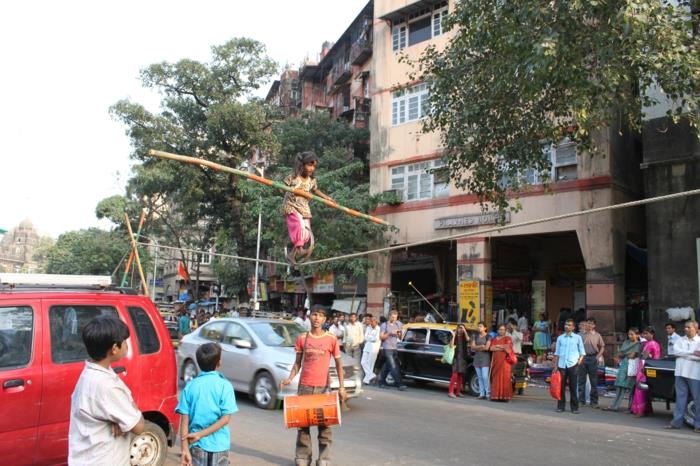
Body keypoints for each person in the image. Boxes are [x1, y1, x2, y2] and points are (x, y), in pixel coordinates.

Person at [68, 315, 145, 465]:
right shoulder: (107, 385)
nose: (126, 345)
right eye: (124, 342)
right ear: (114, 349)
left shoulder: (89, 373)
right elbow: (138, 426)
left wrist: (120, 419)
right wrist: (125, 418)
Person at [280, 305, 347, 466]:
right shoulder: (302, 338)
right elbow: (297, 364)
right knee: (302, 425)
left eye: (321, 316)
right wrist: (289, 379)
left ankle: (324, 459)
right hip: (304, 387)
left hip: (323, 388)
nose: (317, 318)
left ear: (325, 319)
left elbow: (338, 364)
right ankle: (303, 457)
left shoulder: (331, 339)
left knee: (325, 427)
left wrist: (342, 387)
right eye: (315, 315)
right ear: (310, 317)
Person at [176, 343, 238, 466]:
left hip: (196, 447)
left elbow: (184, 421)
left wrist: (184, 449)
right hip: (220, 446)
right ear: (219, 363)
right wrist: (200, 434)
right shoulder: (225, 386)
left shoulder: (190, 387)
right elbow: (225, 419)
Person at [283, 151, 335, 264]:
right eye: (310, 165)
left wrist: (327, 198)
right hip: (292, 205)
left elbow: (315, 190)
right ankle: (299, 249)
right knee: (300, 226)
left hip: (304, 207)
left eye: (314, 166)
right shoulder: (293, 177)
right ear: (302, 165)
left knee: (306, 230)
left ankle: (292, 254)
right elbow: (282, 188)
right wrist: (289, 190)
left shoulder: (311, 181)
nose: (312, 168)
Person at [665, 320, 700, 432]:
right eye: (685, 327)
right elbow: (676, 352)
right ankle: (676, 422)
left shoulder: (699, 341)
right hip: (680, 373)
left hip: (694, 374)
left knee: (697, 400)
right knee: (680, 399)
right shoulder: (680, 340)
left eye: (689, 327)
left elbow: (698, 357)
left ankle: (698, 425)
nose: (686, 329)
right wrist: (691, 353)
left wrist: (684, 354)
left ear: (696, 329)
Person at [604, 327, 642, 412]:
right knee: (620, 386)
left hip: (632, 366)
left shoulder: (638, 344)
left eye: (632, 334)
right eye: (629, 334)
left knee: (630, 388)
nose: (630, 336)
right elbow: (620, 354)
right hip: (624, 365)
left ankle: (631, 408)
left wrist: (623, 355)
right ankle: (614, 406)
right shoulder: (626, 342)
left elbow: (632, 355)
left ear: (637, 335)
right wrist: (621, 356)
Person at [552, 319, 585, 414]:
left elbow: (582, 352)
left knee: (573, 387)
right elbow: (557, 352)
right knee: (561, 387)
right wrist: (555, 365)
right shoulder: (560, 338)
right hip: (561, 365)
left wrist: (579, 362)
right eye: (566, 324)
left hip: (573, 365)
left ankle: (574, 408)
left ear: (573, 327)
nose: (567, 326)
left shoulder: (577, 338)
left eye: (569, 325)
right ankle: (560, 407)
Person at [631, 326, 662, 417]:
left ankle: (640, 411)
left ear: (652, 334)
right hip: (652, 366)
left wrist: (641, 354)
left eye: (646, 333)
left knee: (640, 389)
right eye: (644, 333)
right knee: (646, 389)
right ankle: (647, 409)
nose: (645, 335)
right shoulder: (656, 343)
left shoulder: (649, 344)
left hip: (645, 367)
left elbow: (644, 356)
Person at [578, 317, 605, 408]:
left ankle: (594, 402)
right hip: (582, 358)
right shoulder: (580, 335)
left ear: (594, 325)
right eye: (588, 323)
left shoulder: (597, 335)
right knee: (581, 380)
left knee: (593, 381)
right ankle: (581, 401)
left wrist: (598, 356)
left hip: (593, 358)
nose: (589, 325)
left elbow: (602, 347)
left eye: (591, 323)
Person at [377, 309, 407, 391]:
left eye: (395, 317)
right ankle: (399, 384)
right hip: (387, 348)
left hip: (395, 348)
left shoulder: (398, 324)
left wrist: (399, 333)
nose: (394, 319)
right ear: (389, 316)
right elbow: (381, 337)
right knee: (393, 366)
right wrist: (390, 333)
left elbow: (401, 336)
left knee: (387, 366)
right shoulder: (384, 325)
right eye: (393, 317)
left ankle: (381, 382)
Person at [489, 325, 513, 401]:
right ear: (497, 330)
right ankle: (495, 396)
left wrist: (498, 346)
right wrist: (502, 347)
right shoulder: (494, 339)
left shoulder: (508, 338)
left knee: (505, 378)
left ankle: (504, 397)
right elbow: (491, 348)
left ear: (505, 331)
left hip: (505, 362)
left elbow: (508, 349)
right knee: (496, 378)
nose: (501, 331)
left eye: (503, 330)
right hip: (496, 362)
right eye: (500, 329)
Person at [448, 324, 471, 398]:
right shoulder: (454, 336)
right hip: (456, 358)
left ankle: (458, 392)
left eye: (462, 328)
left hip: (463, 358)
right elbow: (451, 346)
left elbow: (468, 340)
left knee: (460, 376)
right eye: (459, 328)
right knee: (454, 375)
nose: (460, 329)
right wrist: (454, 335)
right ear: (457, 329)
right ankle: (450, 392)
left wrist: (465, 331)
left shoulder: (464, 337)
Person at [471, 322, 491, 399]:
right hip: (477, 358)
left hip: (485, 359)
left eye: (481, 326)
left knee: (485, 376)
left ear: (485, 328)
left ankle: (488, 393)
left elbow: (487, 348)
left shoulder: (488, 336)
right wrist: (481, 346)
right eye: (478, 326)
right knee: (479, 377)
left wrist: (477, 347)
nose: (479, 327)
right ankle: (481, 393)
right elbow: (472, 347)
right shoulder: (475, 336)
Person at [361, 316, 381, 384]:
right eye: (371, 321)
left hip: (374, 348)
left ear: (376, 322)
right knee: (363, 362)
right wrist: (371, 338)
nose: (371, 323)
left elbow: (376, 339)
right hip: (367, 347)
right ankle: (372, 375)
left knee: (370, 364)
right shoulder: (368, 327)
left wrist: (370, 337)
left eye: (372, 321)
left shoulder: (378, 328)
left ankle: (366, 380)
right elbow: (365, 337)